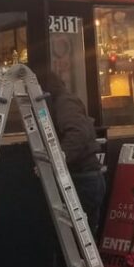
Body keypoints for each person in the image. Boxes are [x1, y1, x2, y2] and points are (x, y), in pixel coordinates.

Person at [34, 68, 106, 236]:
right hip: (81, 177)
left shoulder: (64, 102)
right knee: (76, 238)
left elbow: (78, 133)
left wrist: (56, 160)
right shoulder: (58, 103)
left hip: (83, 179)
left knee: (78, 238)